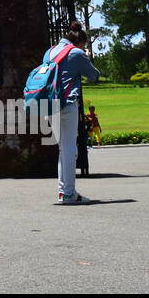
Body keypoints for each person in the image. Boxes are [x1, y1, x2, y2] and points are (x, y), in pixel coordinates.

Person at [52, 21, 100, 205]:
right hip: (67, 103)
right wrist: (86, 56)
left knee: (63, 148)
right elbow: (94, 76)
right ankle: (69, 194)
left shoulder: (51, 51)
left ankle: (64, 191)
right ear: (81, 42)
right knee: (70, 149)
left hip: (49, 104)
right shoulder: (77, 53)